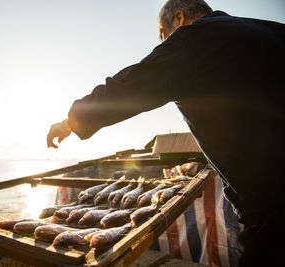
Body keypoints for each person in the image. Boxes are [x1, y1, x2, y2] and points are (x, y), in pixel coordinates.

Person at [46, 0, 285, 266]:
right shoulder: (273, 30)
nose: (162, 46)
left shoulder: (192, 40)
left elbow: (131, 86)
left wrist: (71, 121)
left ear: (179, 19)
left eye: (162, 37)